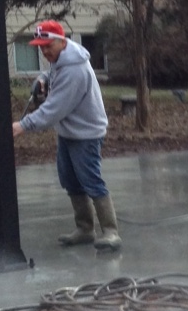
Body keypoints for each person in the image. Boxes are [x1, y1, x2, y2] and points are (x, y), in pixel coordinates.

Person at [12, 20, 121, 251]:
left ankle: (111, 232)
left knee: (90, 179)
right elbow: (53, 73)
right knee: (70, 179)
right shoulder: (62, 58)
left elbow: (54, 109)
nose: (44, 51)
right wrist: (43, 78)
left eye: (47, 46)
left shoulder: (74, 70)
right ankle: (85, 229)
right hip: (69, 131)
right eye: (40, 47)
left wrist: (23, 125)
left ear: (62, 41)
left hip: (86, 133)